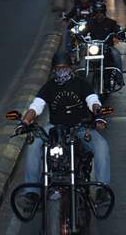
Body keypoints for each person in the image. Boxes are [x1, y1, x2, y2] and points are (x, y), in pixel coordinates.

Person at [19, 52, 110, 206]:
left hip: (80, 127)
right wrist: (26, 121)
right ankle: (32, 193)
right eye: (58, 68)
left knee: (102, 146)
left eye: (64, 67)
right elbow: (36, 106)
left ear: (70, 67)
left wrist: (98, 113)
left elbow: (93, 101)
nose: (61, 71)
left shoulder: (81, 84)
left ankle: (102, 190)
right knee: (33, 145)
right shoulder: (49, 86)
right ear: (53, 69)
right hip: (54, 127)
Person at [86, 1, 125, 85]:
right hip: (94, 47)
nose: (99, 14)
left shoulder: (111, 22)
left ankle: (119, 79)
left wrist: (120, 33)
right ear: (94, 12)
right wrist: (79, 34)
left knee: (116, 55)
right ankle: (84, 80)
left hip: (107, 47)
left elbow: (117, 29)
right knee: (83, 59)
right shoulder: (90, 23)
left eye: (101, 12)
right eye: (97, 12)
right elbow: (83, 31)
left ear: (104, 12)